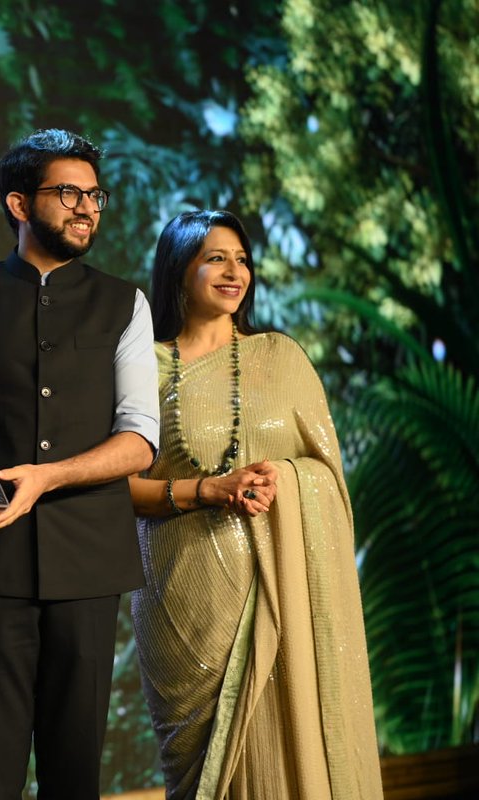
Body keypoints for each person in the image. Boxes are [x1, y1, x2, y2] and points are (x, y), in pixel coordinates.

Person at [0, 129, 160, 799]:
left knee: (74, 763)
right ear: (20, 205)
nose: (87, 208)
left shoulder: (125, 303)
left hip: (88, 557)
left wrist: (48, 476)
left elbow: (139, 439)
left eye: (94, 195)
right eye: (68, 193)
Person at [128, 209, 382, 799]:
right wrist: (207, 490)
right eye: (215, 257)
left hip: (276, 593)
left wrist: (287, 481)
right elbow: (118, 490)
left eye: (242, 259)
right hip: (180, 597)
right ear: (177, 269)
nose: (234, 270)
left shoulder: (281, 358)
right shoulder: (144, 366)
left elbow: (329, 481)